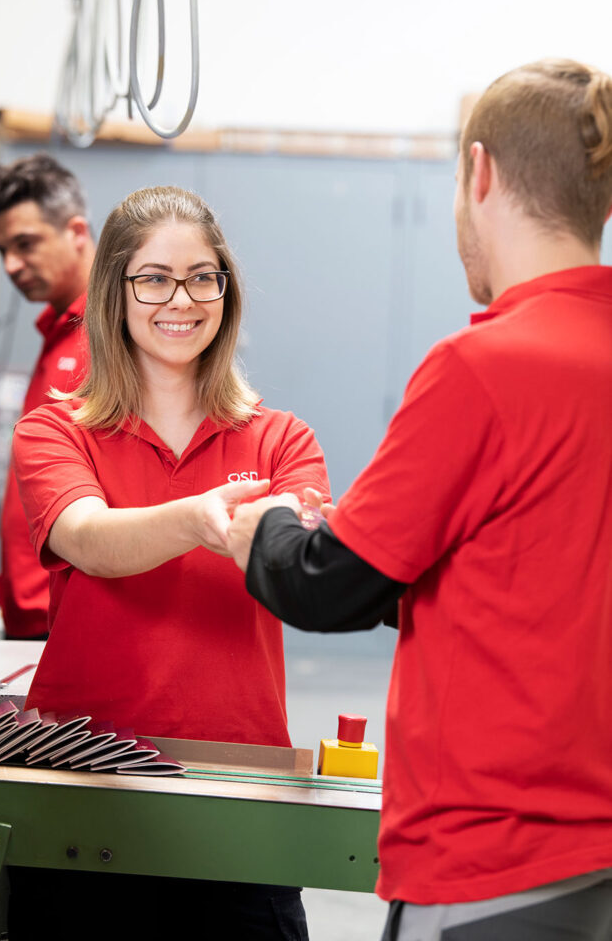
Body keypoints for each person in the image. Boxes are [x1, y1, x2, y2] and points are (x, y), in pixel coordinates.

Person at [227, 58, 612, 941]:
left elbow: (325, 585)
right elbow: (544, 574)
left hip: (493, 862)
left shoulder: (482, 370)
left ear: (478, 174)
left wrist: (262, 528)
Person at [10, 185, 329, 940]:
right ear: (113, 290)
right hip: (84, 773)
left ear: (225, 289)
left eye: (202, 276)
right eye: (153, 278)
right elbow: (88, 537)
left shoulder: (282, 440)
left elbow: (305, 564)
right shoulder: (56, 432)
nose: (180, 299)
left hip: (241, 785)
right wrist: (200, 519)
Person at [0, 154, 94, 640]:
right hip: (30, 621)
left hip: (67, 626)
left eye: (25, 244)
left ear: (76, 232)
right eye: (2, 249)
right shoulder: (57, 333)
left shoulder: (109, 340)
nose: (11, 265)